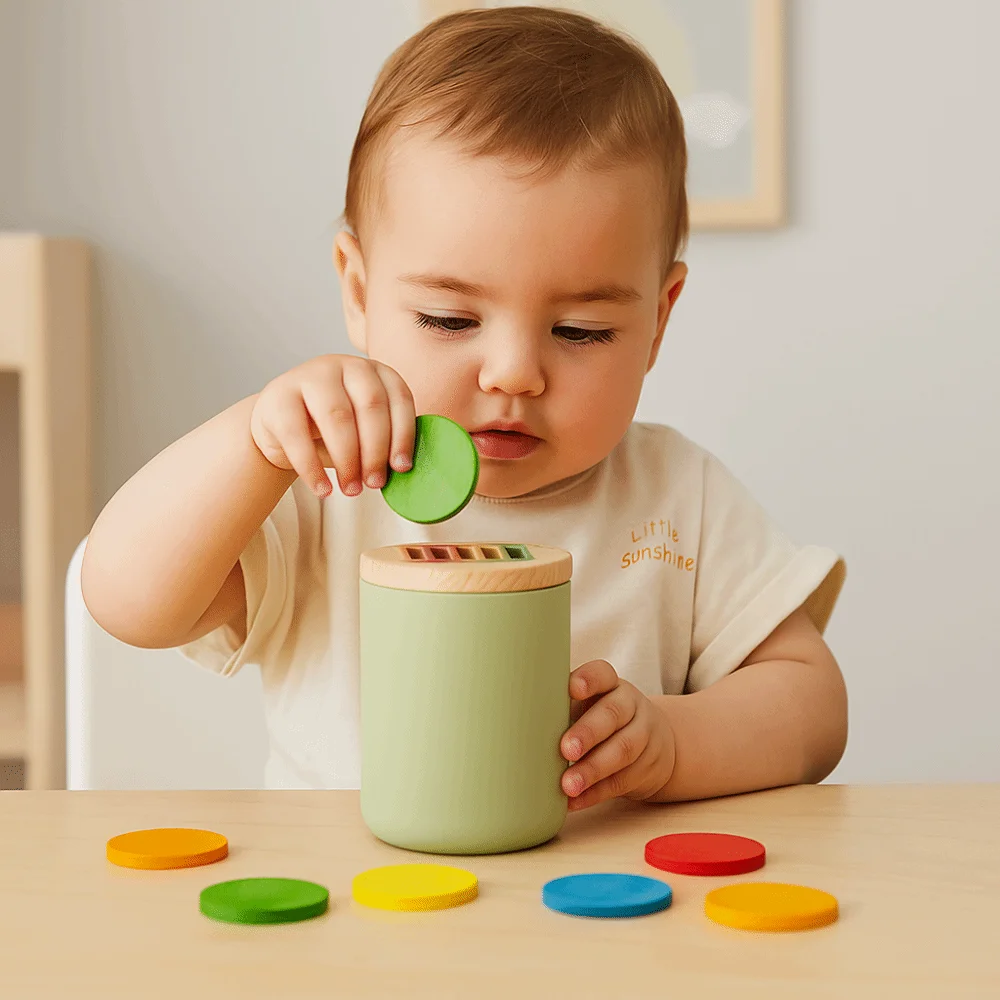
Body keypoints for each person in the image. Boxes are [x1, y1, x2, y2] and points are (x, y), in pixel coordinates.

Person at [81, 6, 847, 804]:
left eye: (581, 331)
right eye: (450, 320)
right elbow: (126, 601)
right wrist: (254, 441)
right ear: (359, 290)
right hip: (352, 909)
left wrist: (677, 742)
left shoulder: (678, 498)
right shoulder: (322, 485)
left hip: (606, 916)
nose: (514, 374)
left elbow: (813, 704)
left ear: (658, 320)